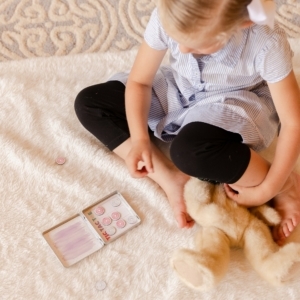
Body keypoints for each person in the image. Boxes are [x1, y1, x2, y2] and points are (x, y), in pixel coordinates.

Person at [74, 0, 300, 244]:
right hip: (181, 90)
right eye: (176, 38)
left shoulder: (266, 42)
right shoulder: (170, 14)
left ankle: (286, 185)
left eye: (198, 45)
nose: (181, 49)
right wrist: (139, 138)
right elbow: (140, 82)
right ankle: (171, 179)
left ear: (243, 23)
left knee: (190, 152)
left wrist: (269, 189)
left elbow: (293, 123)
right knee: (89, 103)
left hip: (236, 101)